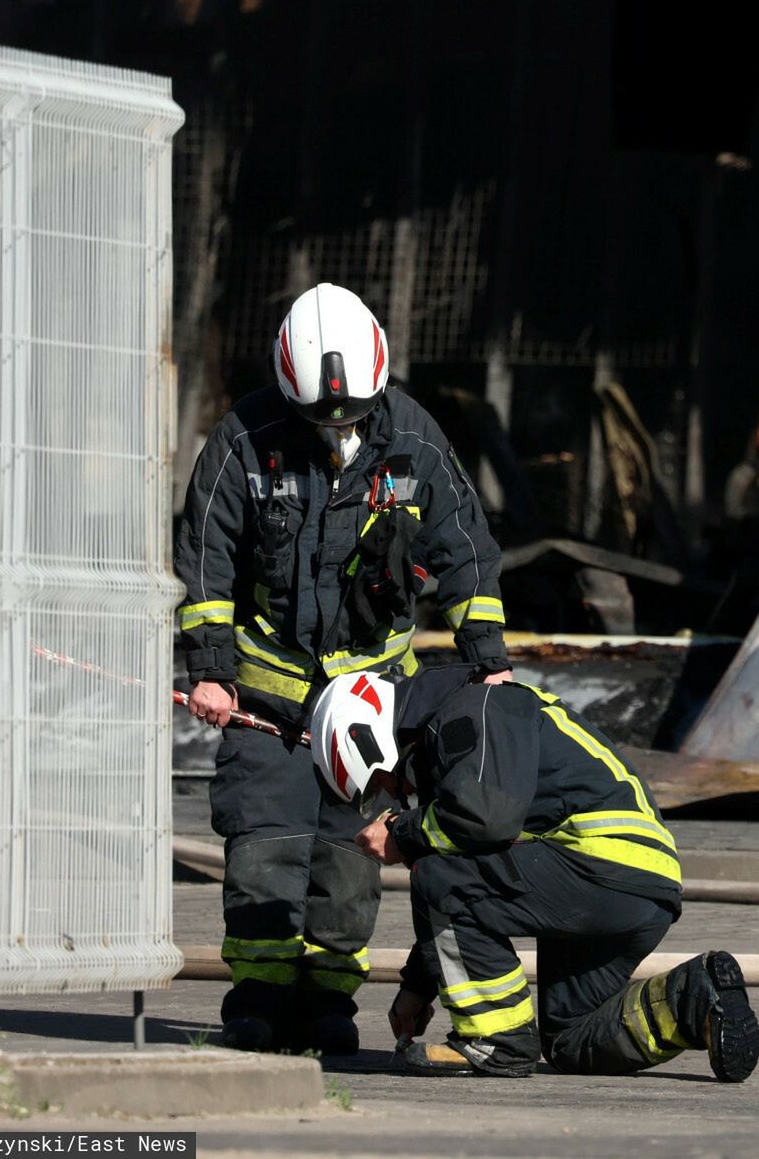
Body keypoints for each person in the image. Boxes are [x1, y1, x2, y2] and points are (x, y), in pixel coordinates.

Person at [175, 282, 511, 1055]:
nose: (338, 429)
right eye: (320, 417)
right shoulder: (244, 440)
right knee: (263, 847)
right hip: (268, 698)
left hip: (371, 705)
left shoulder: (414, 441)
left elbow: (465, 548)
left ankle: (329, 1000)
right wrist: (212, 668)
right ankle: (258, 998)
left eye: (353, 414)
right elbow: (205, 558)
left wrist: (487, 660)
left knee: (351, 859)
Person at [309, 665, 759, 1082]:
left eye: (386, 782)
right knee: (572, 1040)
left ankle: (495, 1041)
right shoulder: (473, 723)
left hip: (601, 867)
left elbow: (484, 824)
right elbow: (474, 871)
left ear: (369, 738)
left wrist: (402, 834)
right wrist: (417, 986)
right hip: (637, 883)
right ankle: (694, 998)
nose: (397, 792)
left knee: (437, 872)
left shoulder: (474, 709)